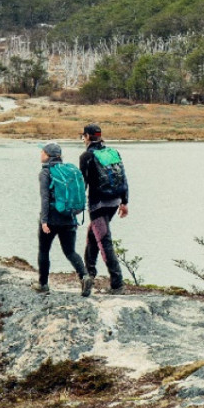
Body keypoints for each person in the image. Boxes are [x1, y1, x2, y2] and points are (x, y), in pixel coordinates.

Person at [34, 142, 94, 296]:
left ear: (48, 155)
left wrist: (44, 221)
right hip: (69, 218)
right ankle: (85, 276)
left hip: (52, 219)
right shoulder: (69, 170)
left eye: (42, 152)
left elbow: (45, 198)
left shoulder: (46, 173)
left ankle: (43, 284)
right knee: (70, 251)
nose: (41, 154)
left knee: (44, 251)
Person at [78, 124, 129, 294]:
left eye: (83, 136)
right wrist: (124, 202)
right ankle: (89, 275)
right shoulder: (113, 152)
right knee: (93, 235)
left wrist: (76, 205)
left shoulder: (86, 156)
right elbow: (124, 178)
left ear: (86, 137)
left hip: (97, 204)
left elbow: (82, 184)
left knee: (103, 240)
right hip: (114, 202)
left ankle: (117, 284)